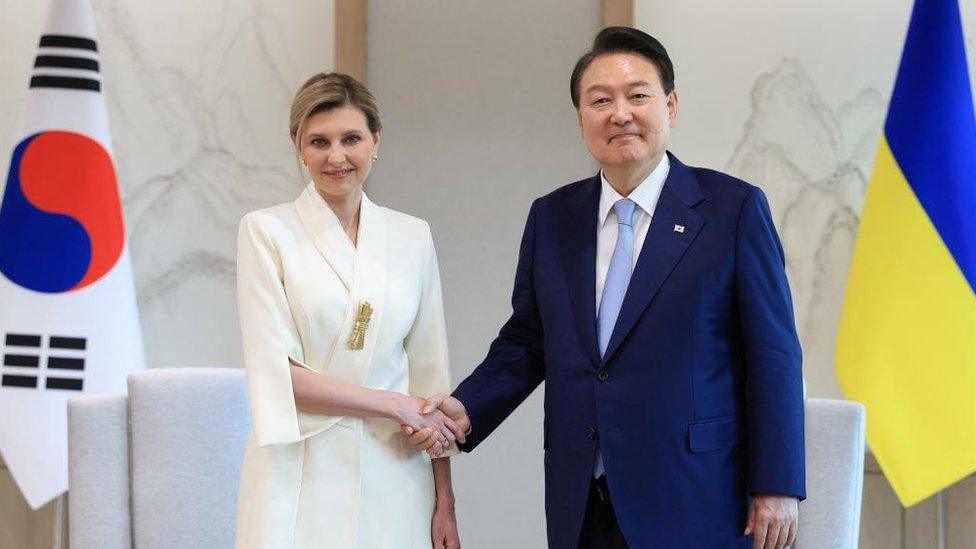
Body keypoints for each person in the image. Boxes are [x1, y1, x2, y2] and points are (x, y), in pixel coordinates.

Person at [409, 27, 805, 548]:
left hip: (696, 495)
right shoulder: (552, 217)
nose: (620, 113)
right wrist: (468, 408)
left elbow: (774, 356)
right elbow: (528, 341)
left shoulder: (732, 209)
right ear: (580, 119)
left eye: (637, 95)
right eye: (600, 100)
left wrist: (777, 485)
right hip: (583, 498)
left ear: (670, 105)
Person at [234, 72, 465, 549]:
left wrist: (444, 499)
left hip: (396, 471)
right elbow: (277, 374)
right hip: (297, 470)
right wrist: (393, 403)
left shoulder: (412, 236)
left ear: (376, 140)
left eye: (351, 139)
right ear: (298, 145)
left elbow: (430, 377)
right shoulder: (265, 232)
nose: (336, 157)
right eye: (319, 141)